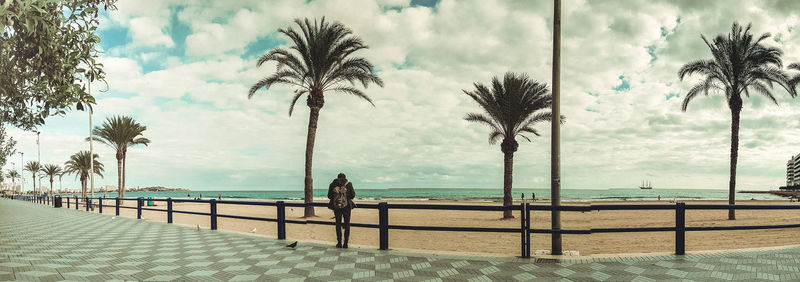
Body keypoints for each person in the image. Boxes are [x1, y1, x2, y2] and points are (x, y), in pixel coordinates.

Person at [328, 173, 355, 248]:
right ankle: (346, 243)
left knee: (338, 224)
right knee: (347, 224)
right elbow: (353, 195)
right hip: (347, 207)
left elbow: (329, 196)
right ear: (345, 177)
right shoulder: (348, 184)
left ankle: (339, 242)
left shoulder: (332, 184)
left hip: (336, 206)